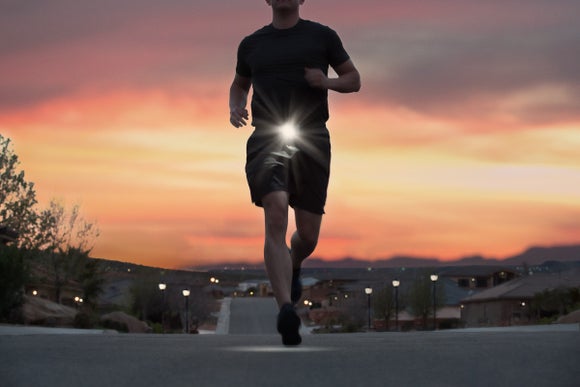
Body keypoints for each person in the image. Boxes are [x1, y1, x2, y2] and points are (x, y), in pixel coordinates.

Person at [229, 0, 360, 345]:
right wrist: (235, 105)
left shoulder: (322, 36)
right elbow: (239, 84)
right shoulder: (252, 44)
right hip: (268, 137)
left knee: (308, 235)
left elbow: (354, 79)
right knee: (274, 212)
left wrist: (326, 82)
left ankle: (295, 261)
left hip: (312, 138)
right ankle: (285, 308)